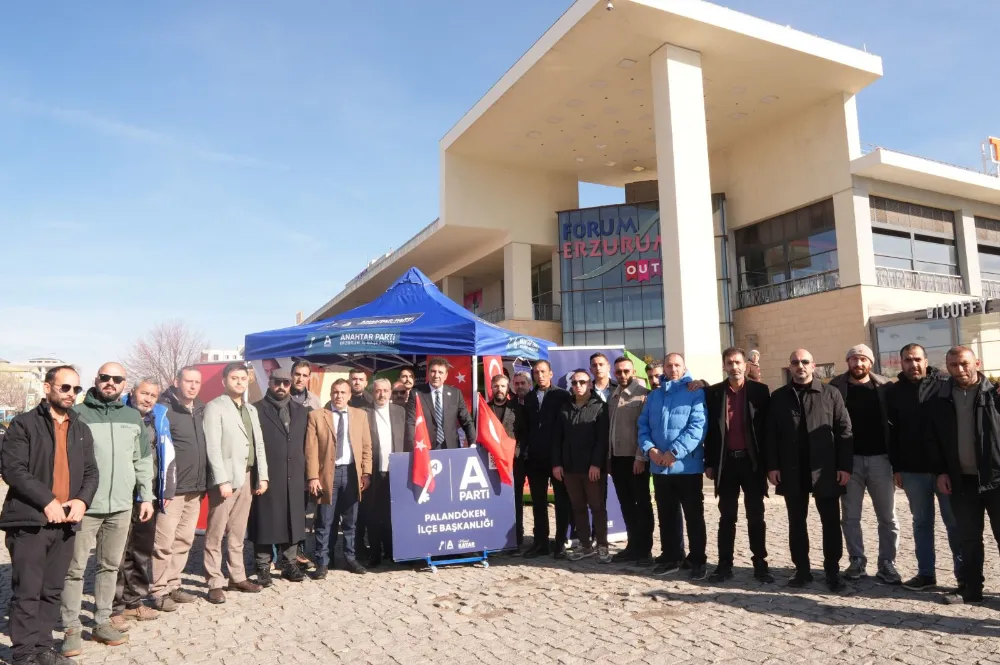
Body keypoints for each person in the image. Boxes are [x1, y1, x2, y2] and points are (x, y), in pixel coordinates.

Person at [1, 366, 98, 665]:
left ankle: (43, 648)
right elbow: (13, 469)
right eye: (64, 387)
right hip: (29, 522)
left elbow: (91, 472)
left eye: (76, 389)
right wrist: (47, 500)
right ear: (47, 388)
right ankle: (24, 655)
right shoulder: (23, 424)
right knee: (28, 592)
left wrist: (82, 500)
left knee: (52, 590)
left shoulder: (80, 429)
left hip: (66, 523)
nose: (71, 394)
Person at [61, 363, 154, 654]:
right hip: (85, 506)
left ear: (124, 384)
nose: (110, 382)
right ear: (97, 380)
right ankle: (71, 628)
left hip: (121, 506)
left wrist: (146, 496)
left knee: (110, 566)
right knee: (74, 569)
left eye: (117, 379)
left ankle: (102, 621)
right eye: (105, 377)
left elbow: (142, 459)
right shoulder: (77, 413)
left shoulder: (132, 416)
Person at [767, 349, 853, 592]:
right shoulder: (779, 397)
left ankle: (832, 572)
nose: (800, 366)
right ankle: (802, 570)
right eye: (795, 362)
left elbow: (844, 431)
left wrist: (844, 466)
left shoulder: (830, 393)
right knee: (796, 522)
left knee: (830, 522)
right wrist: (772, 466)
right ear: (790, 366)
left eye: (805, 362)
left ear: (813, 365)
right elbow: (770, 435)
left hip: (825, 469)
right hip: (791, 469)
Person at [928, 346, 1000, 605]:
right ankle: (972, 589)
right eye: (953, 365)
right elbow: (935, 441)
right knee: (968, 538)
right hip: (961, 482)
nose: (959, 369)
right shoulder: (940, 399)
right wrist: (941, 472)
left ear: (977, 363)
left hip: (996, 479)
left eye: (964, 363)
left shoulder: (995, 394)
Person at [885, 343, 961, 591]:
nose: (913, 364)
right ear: (901, 363)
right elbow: (892, 432)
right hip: (912, 470)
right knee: (921, 523)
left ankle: (964, 577)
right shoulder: (895, 392)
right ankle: (926, 574)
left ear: (926, 361)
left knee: (955, 523)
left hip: (945, 471)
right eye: (908, 360)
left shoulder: (945, 385)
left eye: (917, 359)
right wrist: (897, 467)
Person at [829, 344, 900, 585]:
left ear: (870, 363)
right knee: (850, 516)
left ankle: (888, 562)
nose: (858, 363)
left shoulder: (886, 387)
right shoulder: (835, 387)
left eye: (863, 359)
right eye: (854, 359)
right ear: (847, 361)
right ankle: (857, 560)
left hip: (881, 459)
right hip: (849, 462)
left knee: (887, 516)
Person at [703, 348, 773, 583]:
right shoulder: (714, 393)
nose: (734, 367)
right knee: (727, 516)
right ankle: (724, 564)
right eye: (729, 363)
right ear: (724, 366)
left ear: (746, 365)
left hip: (751, 463)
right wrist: (710, 462)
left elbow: (767, 431)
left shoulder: (760, 392)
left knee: (756, 516)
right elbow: (711, 432)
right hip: (726, 464)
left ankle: (760, 563)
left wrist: (769, 464)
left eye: (738, 362)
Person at [202, 362, 269, 604]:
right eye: (234, 378)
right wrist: (221, 480)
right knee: (216, 532)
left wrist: (263, 475)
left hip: (248, 476)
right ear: (224, 381)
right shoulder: (214, 407)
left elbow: (258, 444)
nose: (239, 382)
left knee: (238, 532)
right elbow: (212, 446)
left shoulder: (251, 409)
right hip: (226, 479)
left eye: (243, 378)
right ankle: (214, 581)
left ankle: (237, 576)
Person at [638, 353, 708, 580]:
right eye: (669, 365)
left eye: (677, 365)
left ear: (684, 368)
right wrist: (650, 450)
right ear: (664, 369)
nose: (673, 369)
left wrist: (674, 452)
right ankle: (672, 556)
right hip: (660, 467)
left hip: (687, 467)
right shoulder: (654, 396)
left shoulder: (695, 392)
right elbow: (643, 426)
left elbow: (697, 427)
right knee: (667, 515)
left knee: (693, 516)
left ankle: (697, 560)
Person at [114, 378, 173, 625]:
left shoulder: (159, 416)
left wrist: (165, 489)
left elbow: (167, 453)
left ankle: (134, 602)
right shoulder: (118, 413)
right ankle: (114, 608)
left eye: (153, 395)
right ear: (132, 392)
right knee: (117, 553)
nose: (148, 399)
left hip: (148, 495)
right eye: (144, 393)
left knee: (140, 551)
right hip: (122, 494)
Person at [150, 366, 208, 612]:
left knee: (184, 540)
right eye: (188, 381)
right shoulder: (164, 410)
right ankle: (158, 590)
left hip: (195, 488)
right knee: (163, 543)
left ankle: (174, 584)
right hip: (171, 490)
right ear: (177, 382)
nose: (193, 386)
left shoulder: (201, 410)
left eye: (197, 382)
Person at [306, 379, 373, 576]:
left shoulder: (360, 415)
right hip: (328, 475)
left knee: (351, 521)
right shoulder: (316, 416)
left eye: (343, 392)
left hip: (352, 474)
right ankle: (322, 561)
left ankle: (350, 558)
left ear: (349, 395)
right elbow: (310, 450)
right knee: (325, 520)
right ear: (331, 394)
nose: (339, 396)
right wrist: (313, 477)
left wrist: (366, 473)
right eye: (335, 392)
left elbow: (367, 447)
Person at [249, 368, 308, 585]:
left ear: (290, 384)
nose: (281, 386)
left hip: (294, 475)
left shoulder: (302, 411)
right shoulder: (256, 409)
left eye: (285, 382)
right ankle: (263, 566)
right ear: (269, 383)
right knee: (266, 520)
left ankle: (289, 563)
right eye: (277, 382)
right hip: (267, 475)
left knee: (292, 519)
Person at [554, 370, 611, 563]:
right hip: (570, 469)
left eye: (582, 382)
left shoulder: (600, 407)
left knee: (597, 507)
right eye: (575, 382)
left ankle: (602, 546)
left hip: (592, 469)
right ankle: (586, 546)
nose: (578, 385)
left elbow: (602, 440)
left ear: (590, 384)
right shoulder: (564, 408)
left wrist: (596, 464)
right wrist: (557, 464)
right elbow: (557, 439)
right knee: (578, 508)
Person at [522, 360, 573, 559]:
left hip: (557, 458)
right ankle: (541, 542)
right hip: (535, 458)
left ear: (551, 373)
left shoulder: (562, 395)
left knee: (561, 502)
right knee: (538, 503)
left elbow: (566, 428)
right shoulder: (529, 397)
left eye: (543, 372)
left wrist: (561, 458)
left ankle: (560, 543)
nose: (540, 375)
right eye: (536, 372)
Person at [607, 356, 654, 566]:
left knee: (642, 505)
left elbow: (645, 429)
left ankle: (645, 550)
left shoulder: (644, 395)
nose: (623, 375)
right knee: (626, 505)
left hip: (636, 460)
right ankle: (633, 546)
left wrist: (640, 457)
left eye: (626, 371)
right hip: (617, 459)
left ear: (633, 372)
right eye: (618, 372)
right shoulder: (613, 395)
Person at [364, 378, 406, 566]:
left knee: (393, 514)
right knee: (373, 514)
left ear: (390, 392)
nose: (382, 394)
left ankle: (392, 551)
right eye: (378, 391)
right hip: (373, 471)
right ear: (373, 392)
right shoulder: (364, 413)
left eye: (385, 390)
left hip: (395, 471)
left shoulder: (400, 412)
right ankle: (374, 554)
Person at [487, 374, 527, 549]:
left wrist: (513, 453)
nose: (499, 389)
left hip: (514, 463)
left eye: (503, 386)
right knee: (494, 500)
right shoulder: (484, 409)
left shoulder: (517, 409)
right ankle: (495, 538)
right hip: (491, 464)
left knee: (515, 501)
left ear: (508, 388)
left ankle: (517, 539)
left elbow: (524, 435)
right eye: (496, 386)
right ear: (491, 387)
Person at [405, 357, 476, 451]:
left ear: (446, 375)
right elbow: (411, 423)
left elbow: (467, 421)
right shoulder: (416, 393)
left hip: (451, 448)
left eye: (440, 372)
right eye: (433, 371)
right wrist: (412, 447)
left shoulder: (455, 394)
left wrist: (473, 443)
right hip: (425, 448)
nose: (436, 375)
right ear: (428, 373)